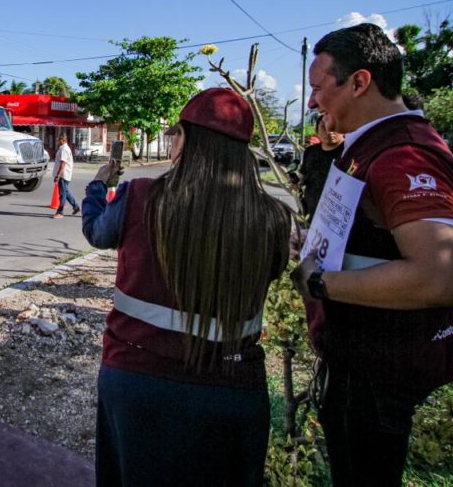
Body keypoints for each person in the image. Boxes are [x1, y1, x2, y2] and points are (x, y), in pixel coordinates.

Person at [82, 88, 292, 486]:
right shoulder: (272, 219)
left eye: (176, 133)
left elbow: (97, 231)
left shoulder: (142, 196)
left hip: (136, 380)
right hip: (231, 390)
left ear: (187, 141)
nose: (173, 142)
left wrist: (97, 185)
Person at [291, 23, 453, 486]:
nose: (312, 102)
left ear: (359, 82)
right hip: (361, 363)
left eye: (317, 88)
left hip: (375, 372)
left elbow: (440, 278)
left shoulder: (403, 155)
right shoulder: (371, 147)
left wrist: (318, 281)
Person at [297, 115, 344, 219]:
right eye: (323, 127)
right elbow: (303, 175)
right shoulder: (310, 151)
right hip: (311, 211)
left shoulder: (349, 152)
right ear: (317, 131)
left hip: (337, 214)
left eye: (333, 127)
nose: (329, 131)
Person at [52, 134, 79, 219]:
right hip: (64, 174)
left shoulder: (64, 149)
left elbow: (63, 164)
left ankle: (60, 212)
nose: (57, 142)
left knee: (62, 194)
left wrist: (58, 175)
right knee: (66, 192)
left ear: (63, 140)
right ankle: (76, 207)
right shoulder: (63, 148)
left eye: (59, 140)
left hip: (63, 175)